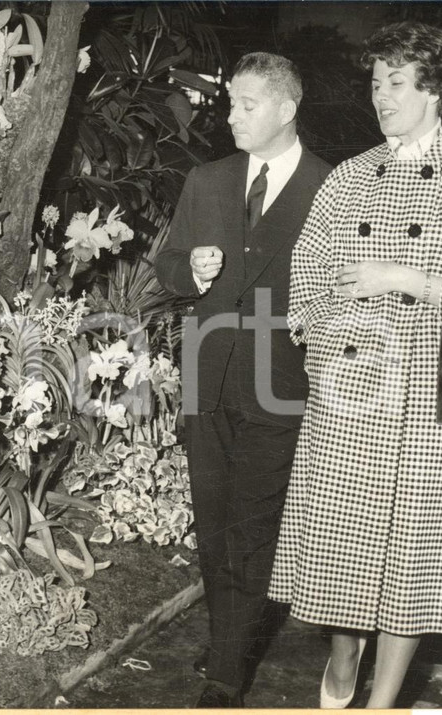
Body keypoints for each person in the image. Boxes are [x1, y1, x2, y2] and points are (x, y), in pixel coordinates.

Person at [267, 21, 442, 709]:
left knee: (412, 561)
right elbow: (306, 279)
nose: (380, 96)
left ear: (435, 88)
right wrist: (324, 349)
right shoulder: (349, 179)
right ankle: (345, 658)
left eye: (395, 83)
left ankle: (382, 701)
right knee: (345, 554)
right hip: (352, 392)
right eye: (375, 82)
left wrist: (416, 280)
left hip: (432, 401)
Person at [155, 52, 331, 707]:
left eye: (247, 104)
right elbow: (166, 264)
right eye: (230, 102)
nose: (231, 115)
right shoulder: (207, 180)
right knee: (214, 521)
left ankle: (227, 669)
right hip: (208, 373)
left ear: (286, 108)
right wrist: (189, 269)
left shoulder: (330, 188)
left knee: (254, 527)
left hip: (281, 383)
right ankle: (229, 635)